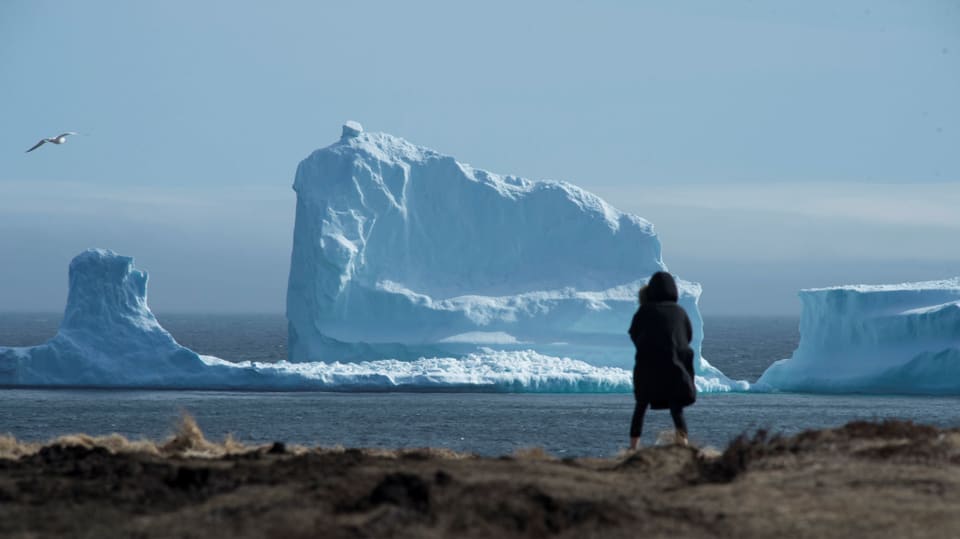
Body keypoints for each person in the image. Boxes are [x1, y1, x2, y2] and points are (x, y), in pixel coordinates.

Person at [628, 271, 696, 449]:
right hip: (675, 367)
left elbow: (634, 333)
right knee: (676, 408)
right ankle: (684, 445)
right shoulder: (680, 312)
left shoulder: (645, 311)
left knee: (640, 406)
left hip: (648, 368)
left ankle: (633, 447)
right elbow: (687, 336)